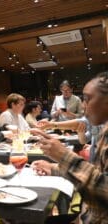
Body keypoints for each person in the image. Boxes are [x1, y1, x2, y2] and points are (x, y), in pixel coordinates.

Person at [32, 71, 108, 224]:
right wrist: (54, 168)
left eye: (87, 99)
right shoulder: (104, 130)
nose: (84, 106)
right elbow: (97, 173)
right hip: (87, 215)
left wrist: (64, 156)